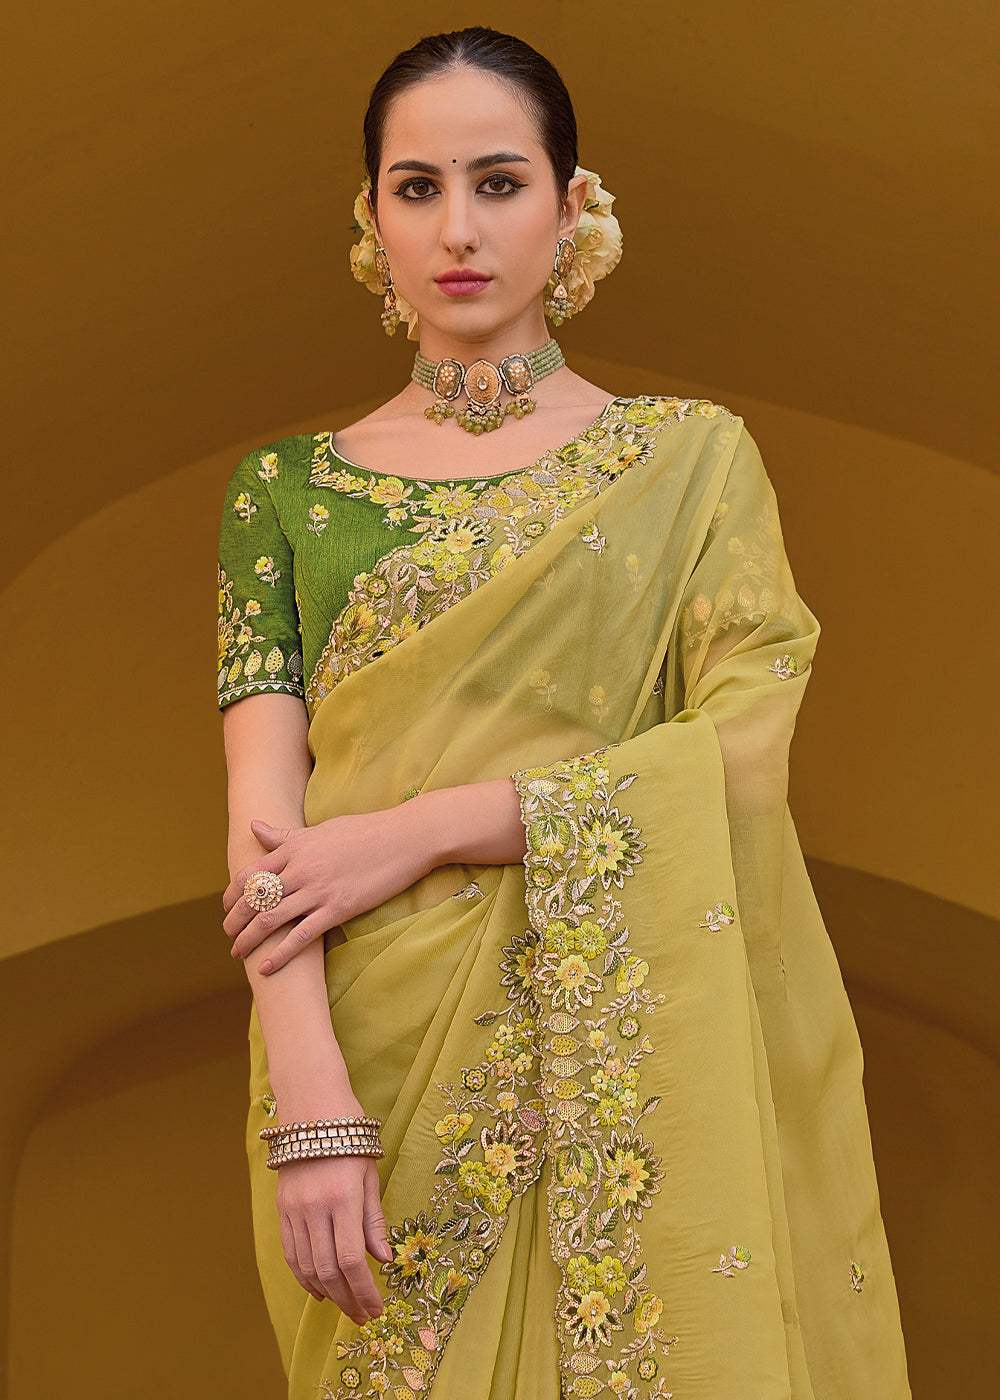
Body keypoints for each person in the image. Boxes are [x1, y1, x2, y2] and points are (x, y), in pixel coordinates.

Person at [217, 27, 911, 1400]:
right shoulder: (285, 493)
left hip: (626, 1036)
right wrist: (312, 1106)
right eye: (417, 188)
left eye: (499, 182)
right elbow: (261, 829)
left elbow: (740, 753)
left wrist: (421, 829)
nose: (458, 230)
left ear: (572, 202)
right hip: (369, 1054)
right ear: (370, 218)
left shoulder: (691, 460)